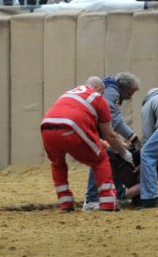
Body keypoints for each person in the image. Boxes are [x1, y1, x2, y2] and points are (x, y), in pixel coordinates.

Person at [41, 77, 133, 212]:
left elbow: (90, 135)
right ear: (101, 89)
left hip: (47, 127)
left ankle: (65, 203)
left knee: (57, 164)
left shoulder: (69, 94)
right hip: (72, 127)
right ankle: (108, 202)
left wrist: (103, 143)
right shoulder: (99, 98)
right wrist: (124, 153)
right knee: (101, 160)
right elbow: (110, 135)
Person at [80, 72, 142, 211]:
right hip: (86, 126)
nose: (131, 96)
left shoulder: (110, 89)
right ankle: (92, 199)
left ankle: (112, 193)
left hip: (87, 125)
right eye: (131, 92)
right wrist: (133, 138)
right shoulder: (112, 93)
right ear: (125, 88)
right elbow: (115, 120)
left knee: (110, 154)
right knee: (101, 157)